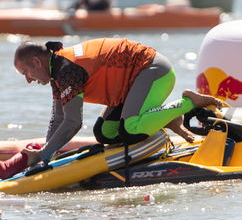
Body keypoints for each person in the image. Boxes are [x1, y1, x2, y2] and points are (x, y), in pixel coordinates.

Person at [13, 38, 224, 162]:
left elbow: (73, 122)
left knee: (130, 129)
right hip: (133, 83)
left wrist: (43, 155)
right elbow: (58, 117)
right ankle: (163, 117)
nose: (28, 80)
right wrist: (46, 154)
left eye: (25, 73)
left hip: (155, 71)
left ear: (36, 61)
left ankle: (188, 102)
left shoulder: (67, 69)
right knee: (104, 132)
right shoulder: (56, 71)